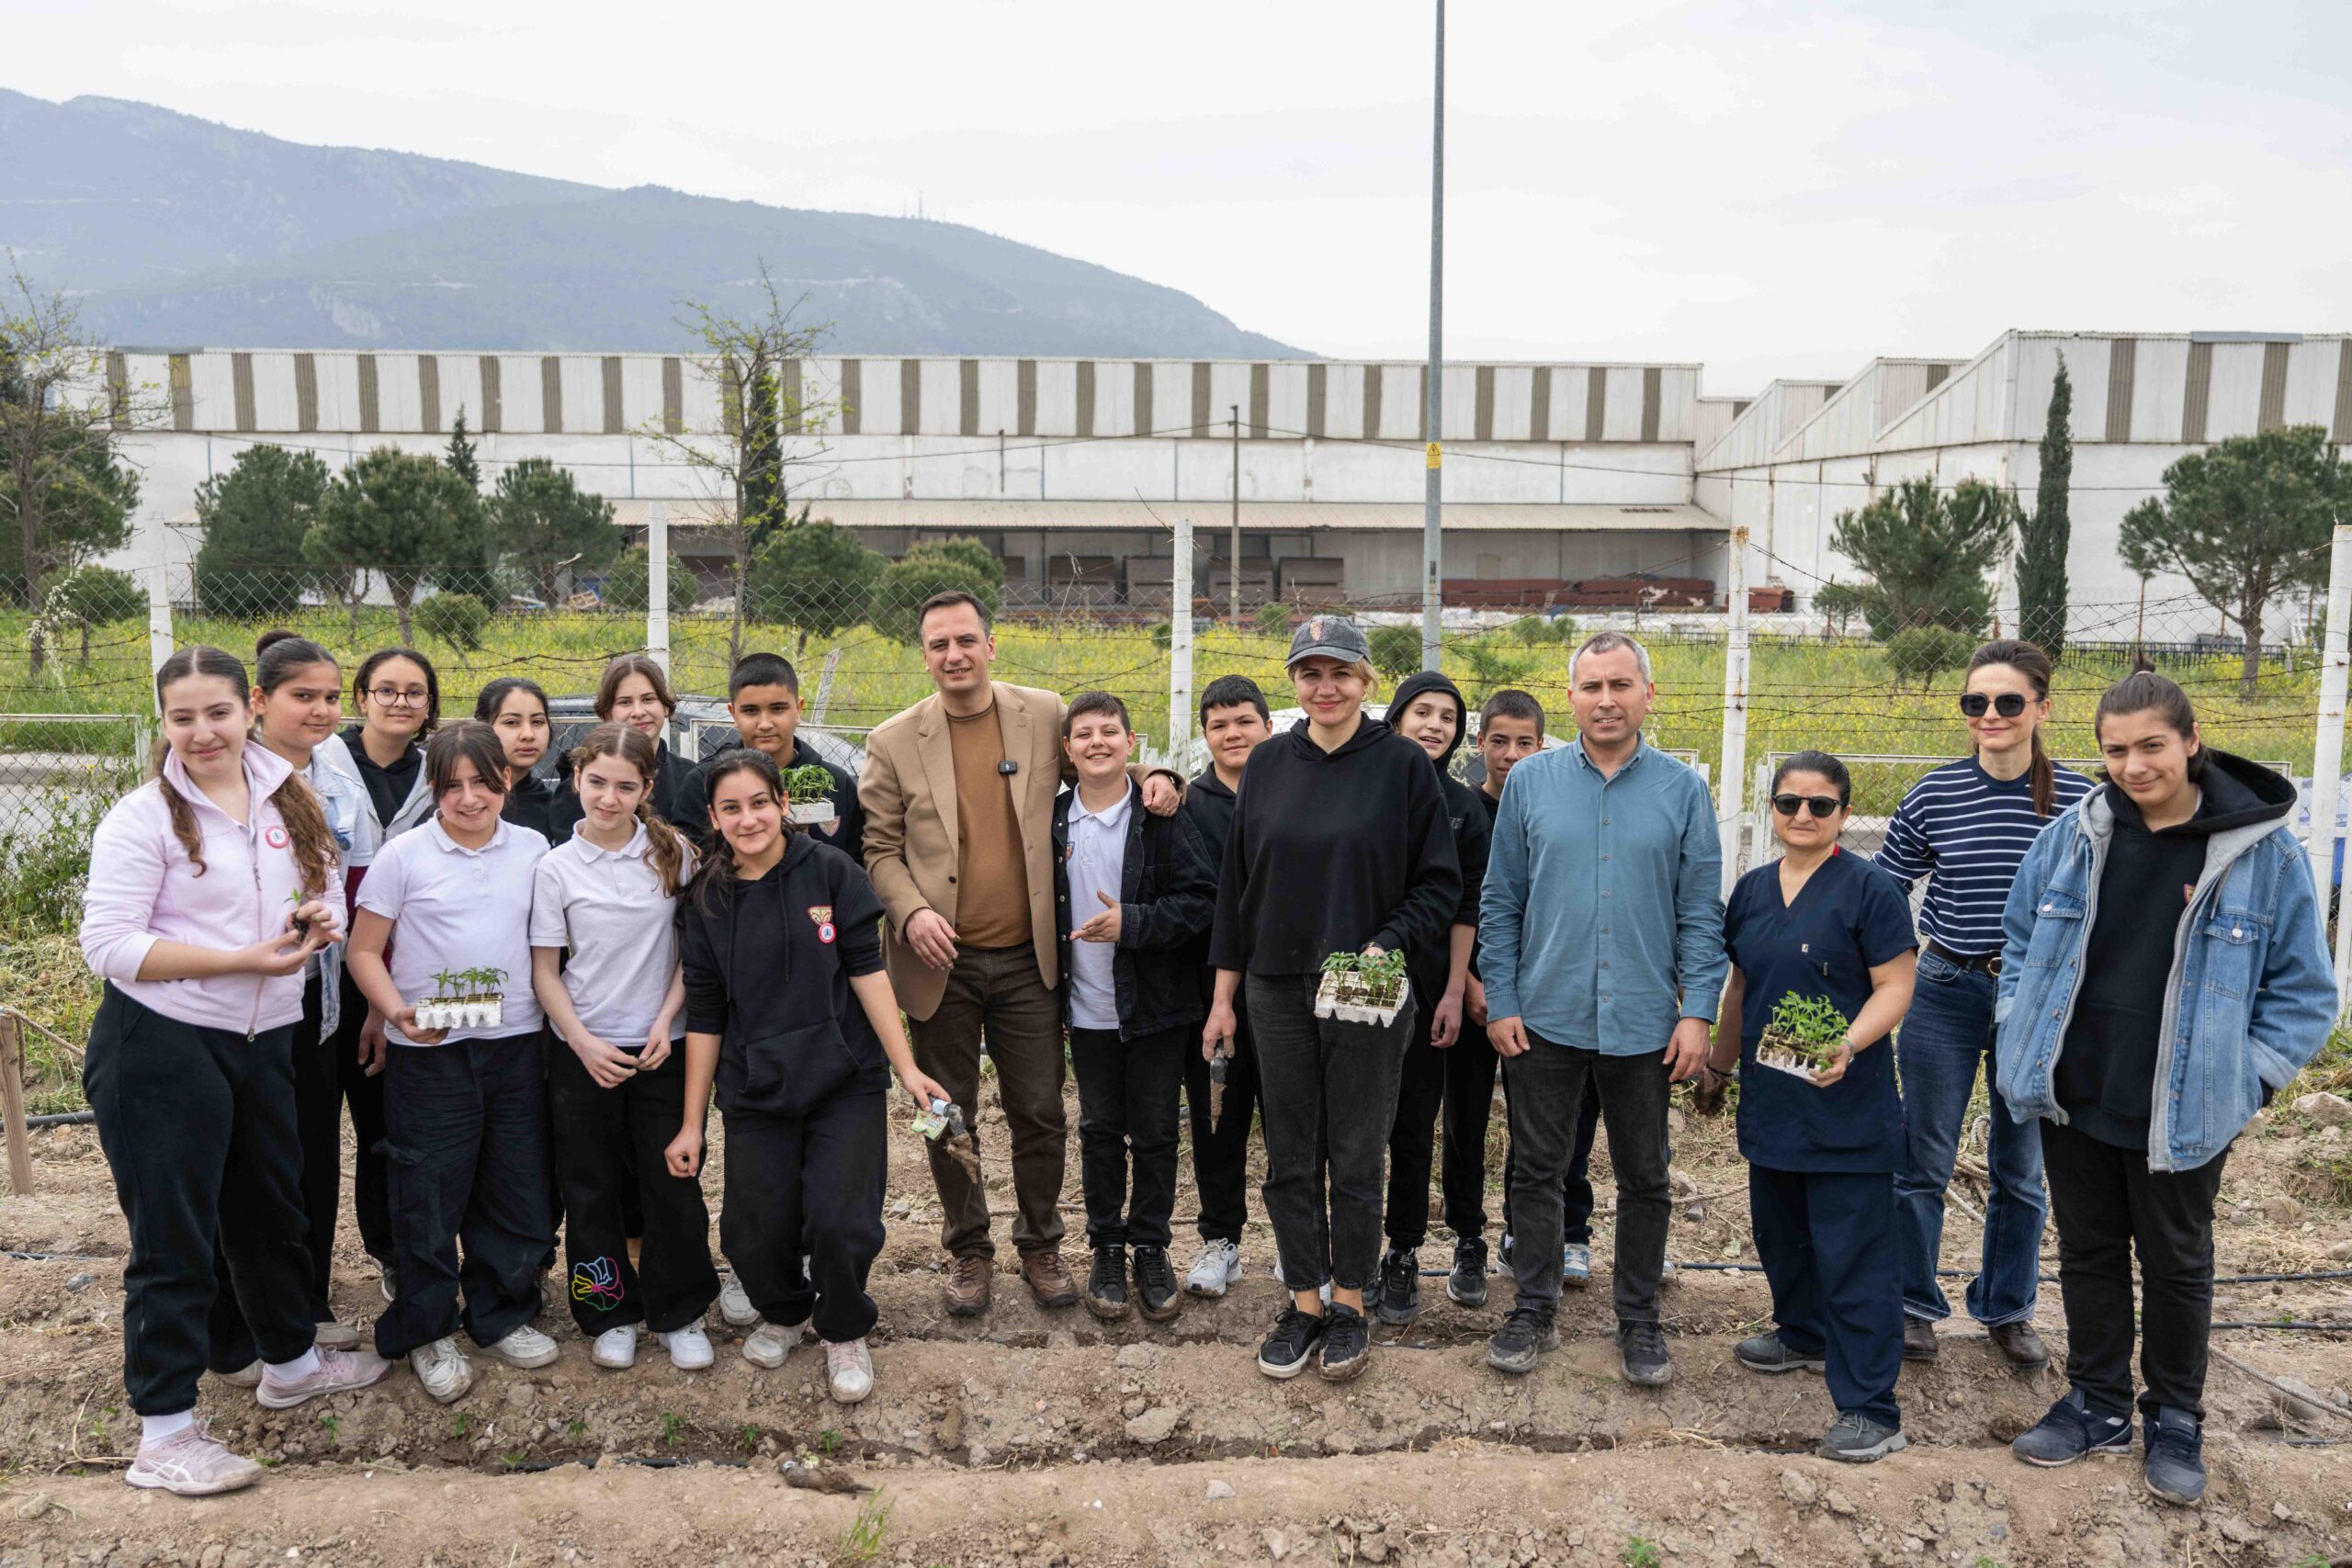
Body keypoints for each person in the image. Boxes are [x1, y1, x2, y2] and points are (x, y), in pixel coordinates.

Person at [2000, 669, 2334, 1506]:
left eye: (2152, 745)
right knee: (2088, 1250)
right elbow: (2020, 942)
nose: (2134, 766)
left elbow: (2305, 993)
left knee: (2177, 1260)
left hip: (2185, 1102)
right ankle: (2097, 1402)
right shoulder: (2073, 836)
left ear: (2191, 740)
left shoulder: (2260, 853)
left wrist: (2246, 1083)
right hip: (2074, 1086)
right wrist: (2019, 1029)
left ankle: (2176, 1418)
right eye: (2115, 750)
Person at [80, 646, 390, 1496]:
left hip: (264, 1037)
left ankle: (290, 1362)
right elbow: (109, 944)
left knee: (270, 1209)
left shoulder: (290, 796)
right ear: (163, 721)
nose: (202, 731)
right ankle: (164, 1431)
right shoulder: (143, 817)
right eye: (181, 717)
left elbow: (325, 885)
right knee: (174, 1238)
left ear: (247, 709)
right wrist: (238, 958)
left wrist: (319, 916)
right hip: (162, 1044)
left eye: (216, 712)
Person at [858, 590, 1180, 1317]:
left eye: (966, 640)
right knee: (947, 1112)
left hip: (1029, 959)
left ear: (991, 645)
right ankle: (969, 1248)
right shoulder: (893, 740)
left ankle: (1040, 1242)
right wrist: (911, 912)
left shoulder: (1041, 713)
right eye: (939, 644)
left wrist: (1160, 778)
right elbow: (877, 847)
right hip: (939, 963)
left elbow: (1099, 767)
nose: (954, 655)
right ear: (924, 655)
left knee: (1039, 1109)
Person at [1204, 616, 1461, 1382]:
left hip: (1365, 986)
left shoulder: (1401, 765)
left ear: (1366, 679)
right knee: (1289, 1150)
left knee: (1354, 1148)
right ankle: (1303, 1300)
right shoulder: (1269, 762)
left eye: (1340, 672)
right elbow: (1236, 889)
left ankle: (1350, 1299)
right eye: (1310, 673)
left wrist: (1389, 939)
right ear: (1293, 681)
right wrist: (1223, 997)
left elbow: (1439, 882)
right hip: (1276, 985)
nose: (1326, 687)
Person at [1480, 631, 1724, 1388]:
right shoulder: (1531, 783)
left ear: (1649, 694)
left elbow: (1700, 911)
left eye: (1621, 684)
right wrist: (1502, 997)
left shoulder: (1683, 790)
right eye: (1592, 686)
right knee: (1537, 1171)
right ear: (1571, 698)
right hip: (1543, 1016)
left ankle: (1639, 1317)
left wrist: (1698, 1011)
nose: (1607, 699)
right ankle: (1534, 1307)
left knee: (1645, 1175)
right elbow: (1501, 900)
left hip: (1645, 1023)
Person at [669, 750, 952, 1403]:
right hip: (756, 1085)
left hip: (842, 1078)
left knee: (840, 1220)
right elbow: (705, 1014)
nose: (748, 819)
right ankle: (788, 1310)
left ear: (783, 804)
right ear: (713, 816)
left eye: (759, 803)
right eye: (731, 808)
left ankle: (843, 1327)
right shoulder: (707, 898)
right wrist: (692, 1123)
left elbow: (867, 971)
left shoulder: (830, 870)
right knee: (751, 1231)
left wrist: (907, 1067)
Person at [1874, 639, 2094, 1370]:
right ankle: (1912, 1305)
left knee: (2020, 1166)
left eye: (2008, 700)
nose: (1991, 714)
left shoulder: (2081, 802)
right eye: (1976, 701)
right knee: (1922, 1158)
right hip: (1945, 988)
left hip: (2035, 1000)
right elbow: (1885, 887)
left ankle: (2007, 1307)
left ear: (2042, 707)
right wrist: (1895, 969)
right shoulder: (1935, 794)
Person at [1699, 751, 1917, 1462]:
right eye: (1788, 801)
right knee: (1782, 1234)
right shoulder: (1752, 890)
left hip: (1844, 1102)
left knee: (1854, 1256)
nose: (1803, 814)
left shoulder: (1869, 890)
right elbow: (1741, 986)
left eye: (1820, 804)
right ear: (1771, 808)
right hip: (1774, 1098)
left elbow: (1896, 985)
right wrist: (1718, 1066)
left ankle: (1871, 1407)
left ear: (1844, 814)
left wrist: (1847, 1044)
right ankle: (1802, 1332)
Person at [346, 720, 558, 1404]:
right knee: (428, 1191)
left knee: (512, 1182)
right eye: (452, 785)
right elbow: (362, 950)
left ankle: (500, 1313)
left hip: (514, 1042)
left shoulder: (533, 849)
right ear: (433, 789)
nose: (470, 798)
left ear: (506, 780)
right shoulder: (403, 856)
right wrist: (395, 1011)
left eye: (483, 782)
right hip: (430, 1051)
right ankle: (426, 1327)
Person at [531, 723, 719, 1372]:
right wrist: (582, 1042)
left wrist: (667, 1019)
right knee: (590, 1187)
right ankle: (608, 1311)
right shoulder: (554, 868)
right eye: (596, 783)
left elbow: (691, 955)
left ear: (646, 788)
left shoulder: (674, 855)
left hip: (661, 1048)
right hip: (583, 1052)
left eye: (625, 786)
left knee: (673, 1182)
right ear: (576, 779)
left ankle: (680, 1309)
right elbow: (545, 972)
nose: (608, 798)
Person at [1053, 693, 1217, 1323]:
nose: (1097, 742)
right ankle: (1105, 1246)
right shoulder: (1053, 820)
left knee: (1154, 1131)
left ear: (1131, 741)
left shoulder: (1160, 816)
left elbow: (1202, 900)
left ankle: (1150, 1245)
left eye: (1109, 731)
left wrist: (1135, 922)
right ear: (1067, 749)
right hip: (1085, 1008)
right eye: (1083, 733)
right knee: (1099, 1130)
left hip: (1155, 1006)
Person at [246, 632, 371, 1351]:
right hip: (244, 1002)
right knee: (260, 1158)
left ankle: (309, 1297)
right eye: (303, 696)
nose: (320, 710)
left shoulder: (337, 775)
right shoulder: (231, 777)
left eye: (329, 696)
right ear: (260, 700)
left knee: (315, 1151)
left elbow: (356, 882)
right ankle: (252, 1310)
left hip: (317, 998)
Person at [1441, 689, 1583, 1307]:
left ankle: (1521, 1230)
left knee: (1536, 1128)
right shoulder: (1461, 811)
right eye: (1499, 741)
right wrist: (1472, 984)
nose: (1511, 754)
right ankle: (1467, 1237)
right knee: (1466, 1119)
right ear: (1479, 744)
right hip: (1470, 993)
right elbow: (1453, 904)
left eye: (1525, 743)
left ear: (1542, 746)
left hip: (1539, 999)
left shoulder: (1552, 810)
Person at [1373, 671, 1489, 1326]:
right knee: (1353, 1127)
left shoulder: (1462, 806)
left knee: (1415, 1123)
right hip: (1356, 979)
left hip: (1427, 984)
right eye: (1423, 711)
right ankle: (1347, 1248)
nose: (1435, 725)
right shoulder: (1360, 783)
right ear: (1396, 717)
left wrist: (1452, 988)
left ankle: (1403, 1250)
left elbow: (1466, 904)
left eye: (1448, 717)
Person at [331, 646, 443, 1304]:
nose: (401, 702)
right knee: (325, 1128)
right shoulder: (324, 764)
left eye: (415, 692)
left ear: (430, 705)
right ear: (361, 697)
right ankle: (312, 1276)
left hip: (408, 975)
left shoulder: (439, 774)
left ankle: (400, 1249)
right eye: (387, 690)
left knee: (393, 1122)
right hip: (327, 972)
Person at [1179, 675, 1272, 1299]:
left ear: (1269, 726)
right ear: (1205, 736)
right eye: (1218, 725)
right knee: (1217, 1117)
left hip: (1285, 985)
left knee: (1294, 1120)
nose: (1233, 734)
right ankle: (1221, 1239)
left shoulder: (1293, 790)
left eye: (1244, 721)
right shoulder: (1188, 802)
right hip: (1209, 991)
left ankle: (1297, 1240)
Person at [676, 651, 864, 866]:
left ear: (798, 709)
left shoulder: (836, 783)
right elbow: (690, 867)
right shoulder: (703, 782)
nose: (765, 724)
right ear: (733, 713)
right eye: (750, 711)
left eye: (777, 709)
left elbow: (857, 865)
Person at [548, 654, 698, 838]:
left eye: (648, 699)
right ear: (607, 713)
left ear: (666, 707)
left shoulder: (691, 779)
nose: (638, 712)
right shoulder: (578, 788)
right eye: (625, 702)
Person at [478, 676, 565, 842]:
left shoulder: (554, 810)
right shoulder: (459, 802)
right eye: (512, 722)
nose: (528, 735)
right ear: (483, 726)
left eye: (537, 722)